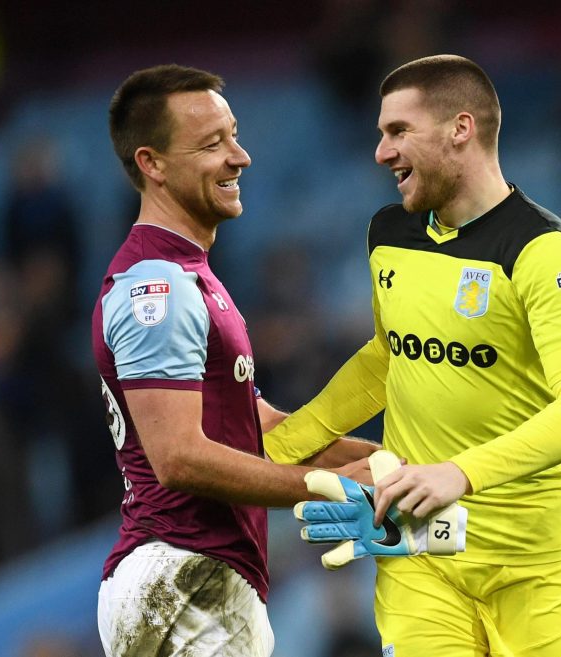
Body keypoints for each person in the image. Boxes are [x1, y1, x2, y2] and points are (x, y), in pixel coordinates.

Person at [265, 55, 561, 656]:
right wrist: (284, 443)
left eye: (398, 131)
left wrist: (458, 473)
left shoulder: (543, 251)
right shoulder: (389, 234)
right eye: (380, 133)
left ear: (460, 129)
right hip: (420, 551)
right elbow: (387, 357)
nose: (381, 151)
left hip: (529, 564)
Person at [92, 64, 378, 657]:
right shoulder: (159, 289)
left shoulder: (190, 278)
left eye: (234, 135)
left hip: (201, 580)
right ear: (153, 164)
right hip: (181, 576)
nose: (239, 156)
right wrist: (329, 488)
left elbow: (264, 431)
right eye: (212, 143)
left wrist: (402, 465)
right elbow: (178, 457)